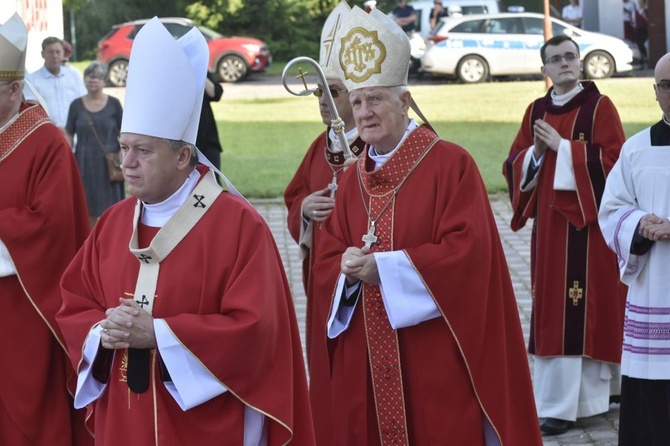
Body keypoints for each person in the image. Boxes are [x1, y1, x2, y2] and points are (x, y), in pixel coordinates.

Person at [56, 18, 314, 445]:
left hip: (206, 427)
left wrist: (158, 335)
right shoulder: (115, 223)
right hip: (126, 423)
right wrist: (103, 331)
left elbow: (257, 332)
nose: (127, 163)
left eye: (143, 151)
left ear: (182, 158)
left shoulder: (238, 226)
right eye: (124, 147)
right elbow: (73, 306)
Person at [313, 6, 542, 445]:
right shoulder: (351, 181)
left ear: (404, 100)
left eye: (376, 98)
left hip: (434, 355)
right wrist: (343, 268)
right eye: (357, 101)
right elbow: (327, 255)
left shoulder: (451, 165)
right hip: (368, 357)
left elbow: (470, 256)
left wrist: (389, 270)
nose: (364, 112)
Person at [503, 34, 627, 436]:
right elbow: (515, 162)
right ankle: (563, 401)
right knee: (556, 309)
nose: (564, 64)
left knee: (589, 307)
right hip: (551, 230)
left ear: (580, 62)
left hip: (587, 230)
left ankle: (586, 399)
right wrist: (537, 155)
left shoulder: (599, 107)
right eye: (555, 59)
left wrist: (564, 148)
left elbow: (615, 164)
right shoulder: (537, 109)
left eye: (570, 57)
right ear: (545, 70)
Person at [0, 13, 92, 445]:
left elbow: (53, 229)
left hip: (27, 301)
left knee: (25, 408)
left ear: (15, 89)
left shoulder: (46, 141)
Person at [283, 2, 364, 444]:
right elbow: (295, 199)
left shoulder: (375, 147)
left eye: (332, 90)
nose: (322, 101)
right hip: (322, 278)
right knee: (325, 360)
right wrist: (305, 212)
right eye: (317, 91)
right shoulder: (320, 146)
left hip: (358, 276)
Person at [598, 52, 670, 446]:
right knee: (651, 394)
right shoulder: (636, 149)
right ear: (655, 92)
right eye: (666, 85)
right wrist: (638, 224)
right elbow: (611, 209)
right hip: (653, 288)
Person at [65, 61, 124, 228]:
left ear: (105, 81)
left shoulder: (113, 104)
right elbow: (69, 131)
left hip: (109, 161)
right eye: (88, 77)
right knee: (87, 206)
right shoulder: (76, 105)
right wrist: (67, 155)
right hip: (84, 161)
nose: (92, 81)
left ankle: (112, 240)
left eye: (97, 77)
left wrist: (124, 151)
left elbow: (124, 131)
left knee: (112, 207)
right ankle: (89, 243)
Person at [25, 36, 86, 129]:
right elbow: (32, 111)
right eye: (50, 52)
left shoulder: (74, 75)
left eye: (58, 52)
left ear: (63, 54)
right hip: (48, 134)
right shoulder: (32, 80)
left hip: (74, 134)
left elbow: (83, 102)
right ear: (42, 54)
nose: (55, 56)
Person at [196, 72, 224, 174]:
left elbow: (215, 93)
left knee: (213, 183)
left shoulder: (201, 68)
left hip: (208, 140)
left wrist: (200, 71)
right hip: (183, 142)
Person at [633, 0, 648, 67]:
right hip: (637, 29)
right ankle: (641, 59)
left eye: (641, 2)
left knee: (641, 43)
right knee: (637, 43)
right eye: (639, 3)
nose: (640, 4)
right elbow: (634, 20)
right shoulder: (636, 11)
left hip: (644, 30)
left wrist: (644, 16)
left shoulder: (646, 11)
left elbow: (649, 20)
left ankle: (645, 56)